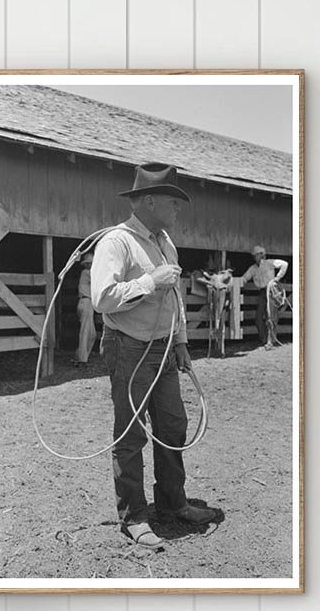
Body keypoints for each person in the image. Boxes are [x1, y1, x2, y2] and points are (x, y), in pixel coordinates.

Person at [90, 161, 223, 549]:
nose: (178, 209)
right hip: (128, 346)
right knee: (130, 433)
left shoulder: (165, 242)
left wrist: (180, 341)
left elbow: (176, 299)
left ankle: (172, 502)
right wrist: (150, 281)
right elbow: (101, 298)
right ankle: (134, 516)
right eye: (173, 202)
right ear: (149, 202)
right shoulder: (117, 242)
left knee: (172, 426)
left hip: (164, 348)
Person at [240, 246, 289, 345]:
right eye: (254, 255)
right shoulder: (253, 268)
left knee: (271, 316)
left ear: (262, 255)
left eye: (257, 255)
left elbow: (285, 264)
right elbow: (244, 278)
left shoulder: (270, 263)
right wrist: (235, 283)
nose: (255, 257)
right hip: (262, 292)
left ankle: (271, 340)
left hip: (271, 291)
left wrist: (277, 278)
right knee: (258, 318)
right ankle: (264, 339)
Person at [73, 251, 96, 366]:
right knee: (86, 332)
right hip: (86, 302)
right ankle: (82, 359)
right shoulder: (86, 273)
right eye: (89, 263)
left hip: (87, 302)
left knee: (91, 334)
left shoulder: (88, 273)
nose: (89, 265)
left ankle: (79, 356)